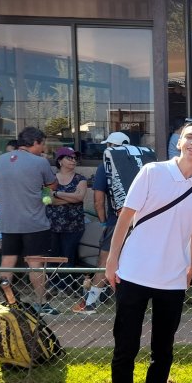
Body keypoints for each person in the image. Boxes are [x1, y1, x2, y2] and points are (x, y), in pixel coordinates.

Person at [102, 120, 192, 383]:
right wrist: (112, 259)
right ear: (178, 142)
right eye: (189, 137)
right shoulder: (152, 171)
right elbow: (126, 216)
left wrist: (190, 263)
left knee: (163, 350)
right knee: (125, 349)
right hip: (134, 272)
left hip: (173, 278)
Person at [0, 127, 59, 315]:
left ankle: (7, 302)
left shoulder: (0, 160)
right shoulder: (40, 162)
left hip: (8, 222)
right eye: (42, 144)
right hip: (34, 222)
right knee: (35, 263)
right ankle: (42, 303)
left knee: (7, 261)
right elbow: (52, 184)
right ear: (35, 142)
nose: (43, 148)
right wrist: (44, 190)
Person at [73, 132, 137, 314]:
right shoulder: (140, 165)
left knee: (105, 261)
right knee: (135, 262)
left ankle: (91, 303)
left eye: (108, 145)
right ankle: (134, 301)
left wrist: (103, 222)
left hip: (116, 222)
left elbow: (98, 200)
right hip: (142, 223)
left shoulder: (105, 167)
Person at [47, 147, 87, 292]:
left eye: (75, 158)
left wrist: (57, 193)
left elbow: (80, 197)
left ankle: (68, 287)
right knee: (53, 255)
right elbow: (47, 200)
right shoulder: (51, 179)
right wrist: (71, 198)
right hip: (52, 224)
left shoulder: (80, 179)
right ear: (60, 161)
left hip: (74, 225)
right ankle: (54, 286)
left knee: (68, 255)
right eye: (69, 158)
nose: (73, 160)